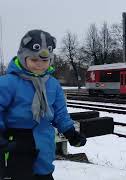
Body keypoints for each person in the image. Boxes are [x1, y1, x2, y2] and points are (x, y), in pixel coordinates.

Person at [0, 29, 86, 180]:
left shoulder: (52, 84)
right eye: (34, 60)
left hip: (44, 143)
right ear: (23, 57)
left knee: (44, 175)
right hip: (15, 144)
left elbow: (60, 113)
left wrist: (70, 133)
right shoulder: (8, 83)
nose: (40, 65)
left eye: (45, 61)